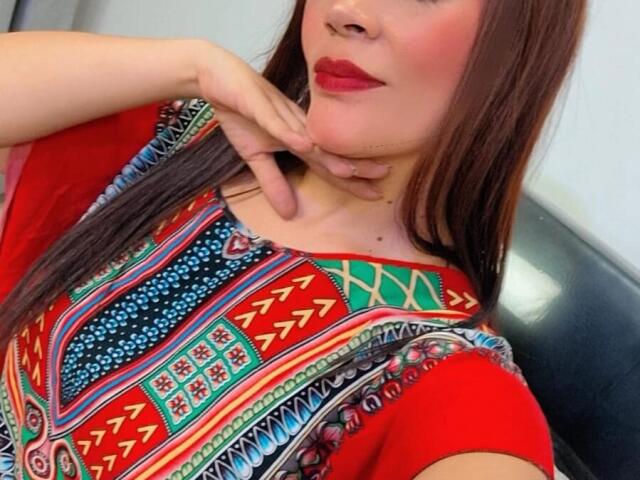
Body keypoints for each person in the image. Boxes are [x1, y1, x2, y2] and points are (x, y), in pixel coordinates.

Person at [0, 1, 588, 478]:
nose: (345, 11)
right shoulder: (180, 142)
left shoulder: (445, 376)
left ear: (520, 41)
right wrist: (196, 65)